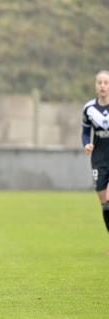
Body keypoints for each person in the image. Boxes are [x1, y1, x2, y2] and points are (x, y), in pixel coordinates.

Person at [82, 70, 109, 236]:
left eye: (106, 83)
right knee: (104, 204)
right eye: (100, 83)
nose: (103, 86)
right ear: (95, 86)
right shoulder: (89, 109)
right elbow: (85, 132)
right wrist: (86, 144)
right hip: (98, 159)